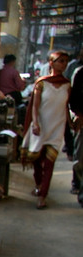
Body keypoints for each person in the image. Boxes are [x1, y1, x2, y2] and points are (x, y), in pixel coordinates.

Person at [21, 50, 72, 210]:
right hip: (41, 126)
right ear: (51, 63)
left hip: (57, 127)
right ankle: (38, 186)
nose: (63, 64)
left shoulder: (67, 85)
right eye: (60, 61)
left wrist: (72, 122)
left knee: (49, 163)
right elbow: (35, 106)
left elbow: (67, 107)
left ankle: (43, 196)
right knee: (37, 159)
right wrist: (35, 123)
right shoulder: (41, 83)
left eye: (65, 61)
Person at [68, 60, 83, 203]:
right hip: (82, 121)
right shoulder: (79, 73)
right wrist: (78, 115)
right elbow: (73, 100)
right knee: (80, 158)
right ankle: (78, 184)